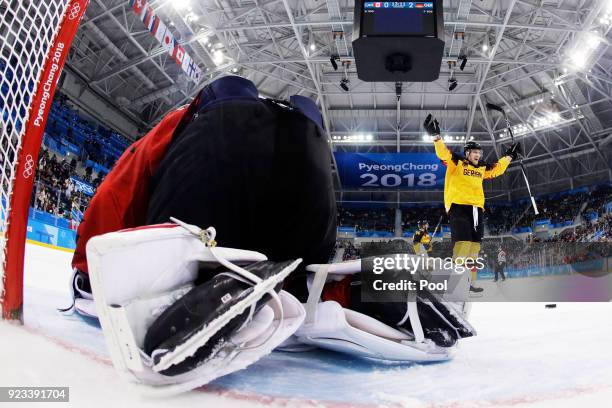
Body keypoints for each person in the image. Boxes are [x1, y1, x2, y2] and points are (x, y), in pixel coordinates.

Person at [423, 114, 520, 293]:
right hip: (458, 206)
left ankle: (470, 282)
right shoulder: (457, 162)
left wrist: (510, 156)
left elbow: (497, 169)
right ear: (467, 153)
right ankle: (451, 282)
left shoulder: (482, 167)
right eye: (474, 152)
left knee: (474, 247)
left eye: (479, 153)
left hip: (477, 209)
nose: (477, 155)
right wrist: (436, 137)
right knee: (463, 243)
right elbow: (443, 153)